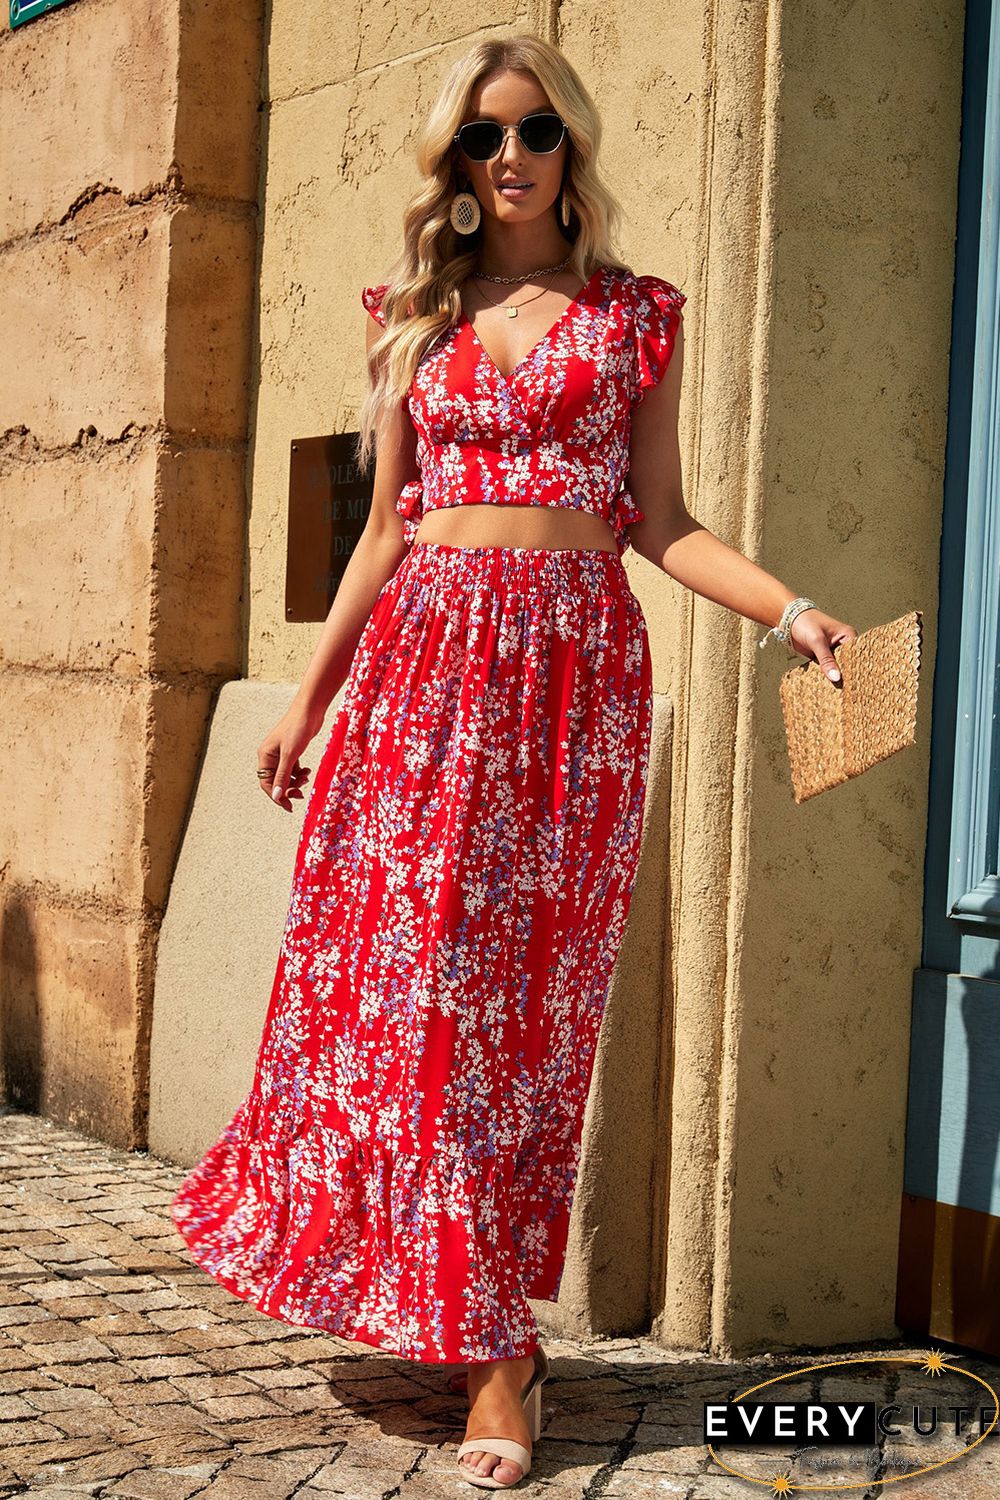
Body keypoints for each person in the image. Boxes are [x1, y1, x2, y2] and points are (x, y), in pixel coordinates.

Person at [171, 32, 856, 1492]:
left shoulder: (634, 319)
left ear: (570, 144)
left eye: (532, 130)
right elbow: (379, 533)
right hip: (421, 684)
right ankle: (474, 1329)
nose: (509, 159)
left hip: (569, 691)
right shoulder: (415, 321)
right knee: (414, 1005)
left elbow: (662, 521)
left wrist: (790, 610)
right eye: (481, 140)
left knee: (517, 1018)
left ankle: (502, 1352)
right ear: (457, 170)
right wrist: (308, 702)